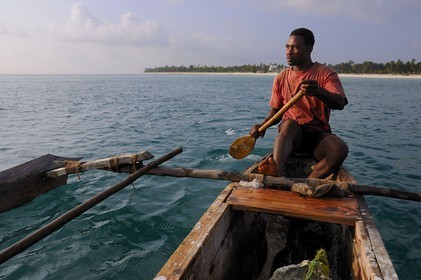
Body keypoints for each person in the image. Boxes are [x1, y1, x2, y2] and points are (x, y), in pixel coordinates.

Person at [250, 28, 348, 179]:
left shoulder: (325, 73)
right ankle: (277, 169)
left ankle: (308, 183)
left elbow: (340, 102)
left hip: (317, 137)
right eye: (287, 47)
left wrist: (319, 91)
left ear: (309, 49)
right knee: (289, 124)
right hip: (291, 138)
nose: (289, 51)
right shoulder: (281, 78)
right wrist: (262, 126)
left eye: (295, 47)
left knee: (340, 149)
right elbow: (276, 112)